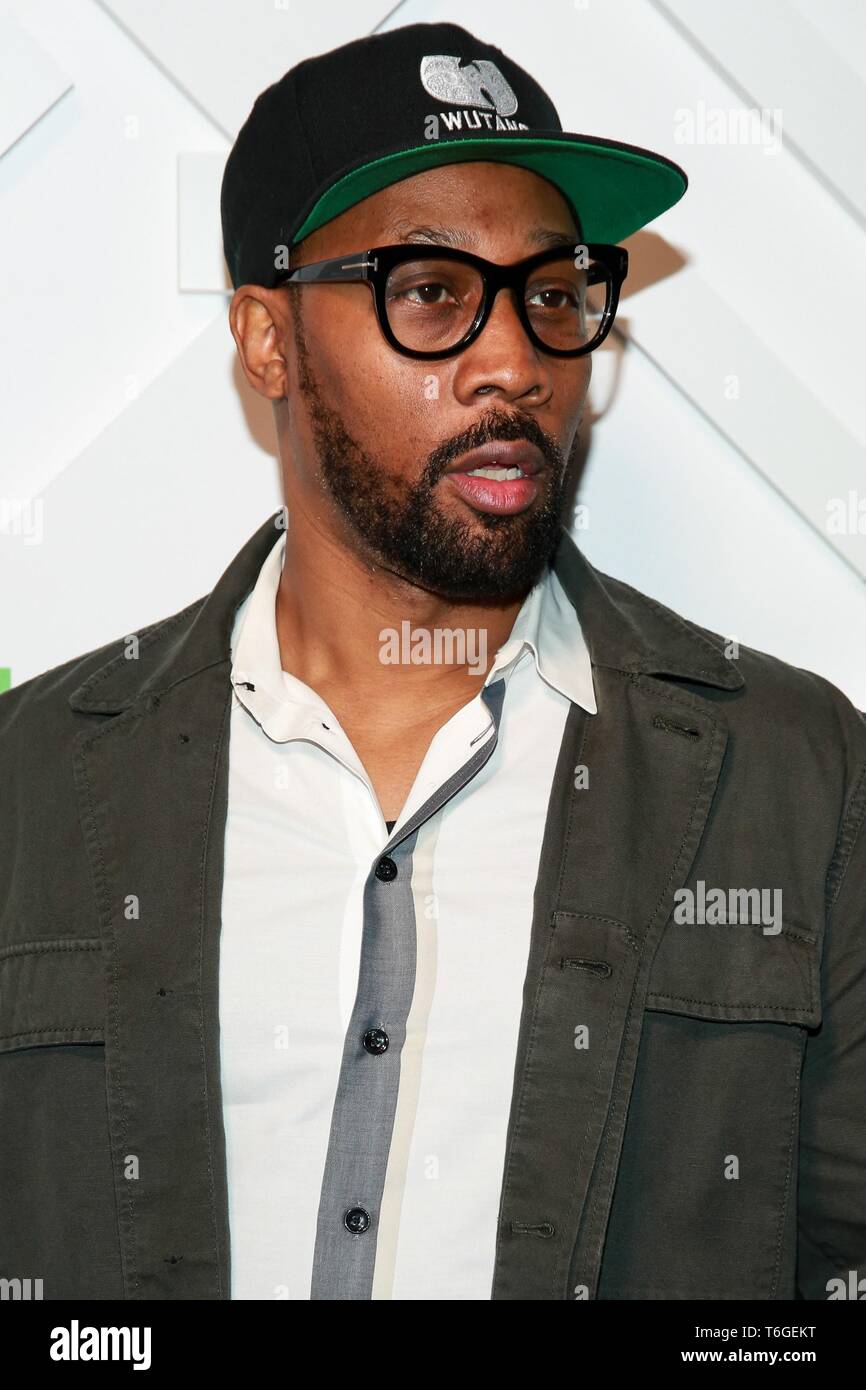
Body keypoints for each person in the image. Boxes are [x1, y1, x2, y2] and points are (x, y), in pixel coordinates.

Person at [1, 21, 863, 1302]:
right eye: (429, 292)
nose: (513, 363)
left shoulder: (791, 776)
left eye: (552, 293)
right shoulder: (33, 784)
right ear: (267, 339)